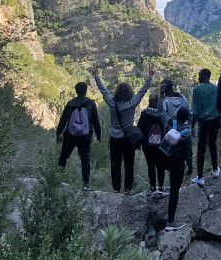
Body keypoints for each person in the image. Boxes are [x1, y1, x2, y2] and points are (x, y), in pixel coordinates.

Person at [92, 65, 156, 195]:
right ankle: (127, 189)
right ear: (129, 93)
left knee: (115, 164)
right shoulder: (132, 103)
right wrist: (150, 76)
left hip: (115, 138)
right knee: (129, 163)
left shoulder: (111, 102)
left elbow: (103, 91)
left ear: (117, 92)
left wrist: (96, 75)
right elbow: (142, 92)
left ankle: (116, 189)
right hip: (128, 139)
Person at [56, 81, 102, 191]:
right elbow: (96, 121)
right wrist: (99, 135)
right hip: (85, 135)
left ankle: (56, 179)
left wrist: (58, 134)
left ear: (76, 91)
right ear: (85, 91)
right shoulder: (90, 104)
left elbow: (63, 121)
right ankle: (86, 185)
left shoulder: (70, 103)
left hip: (70, 135)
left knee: (63, 157)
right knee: (85, 159)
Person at [190, 68, 221, 186]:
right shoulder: (215, 88)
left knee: (201, 148)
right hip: (215, 119)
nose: (198, 77)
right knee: (213, 143)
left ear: (203, 76)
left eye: (199, 75)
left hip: (204, 121)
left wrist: (193, 124)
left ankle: (200, 176)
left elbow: (196, 110)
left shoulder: (197, 89)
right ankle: (215, 169)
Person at [164, 106, 193, 231]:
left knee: (172, 187)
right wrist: (190, 167)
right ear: (186, 118)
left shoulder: (170, 124)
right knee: (174, 191)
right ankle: (170, 221)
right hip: (178, 163)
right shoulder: (186, 133)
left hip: (167, 159)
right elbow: (188, 153)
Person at [137, 93, 166, 196]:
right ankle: (161, 188)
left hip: (147, 144)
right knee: (160, 165)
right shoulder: (162, 114)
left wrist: (139, 143)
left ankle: (153, 187)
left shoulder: (145, 114)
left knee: (151, 165)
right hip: (160, 144)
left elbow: (139, 128)